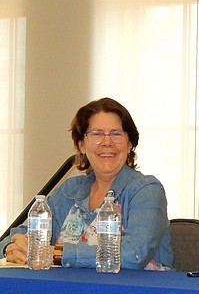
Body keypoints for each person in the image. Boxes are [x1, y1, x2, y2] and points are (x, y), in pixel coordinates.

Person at [1, 97, 173, 269]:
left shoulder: (146, 190)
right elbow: (21, 235)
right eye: (96, 134)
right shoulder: (69, 190)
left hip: (136, 292)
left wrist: (58, 253)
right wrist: (13, 246)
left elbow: (134, 255)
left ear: (130, 145)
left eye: (116, 134)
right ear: (81, 145)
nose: (107, 142)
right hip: (69, 290)